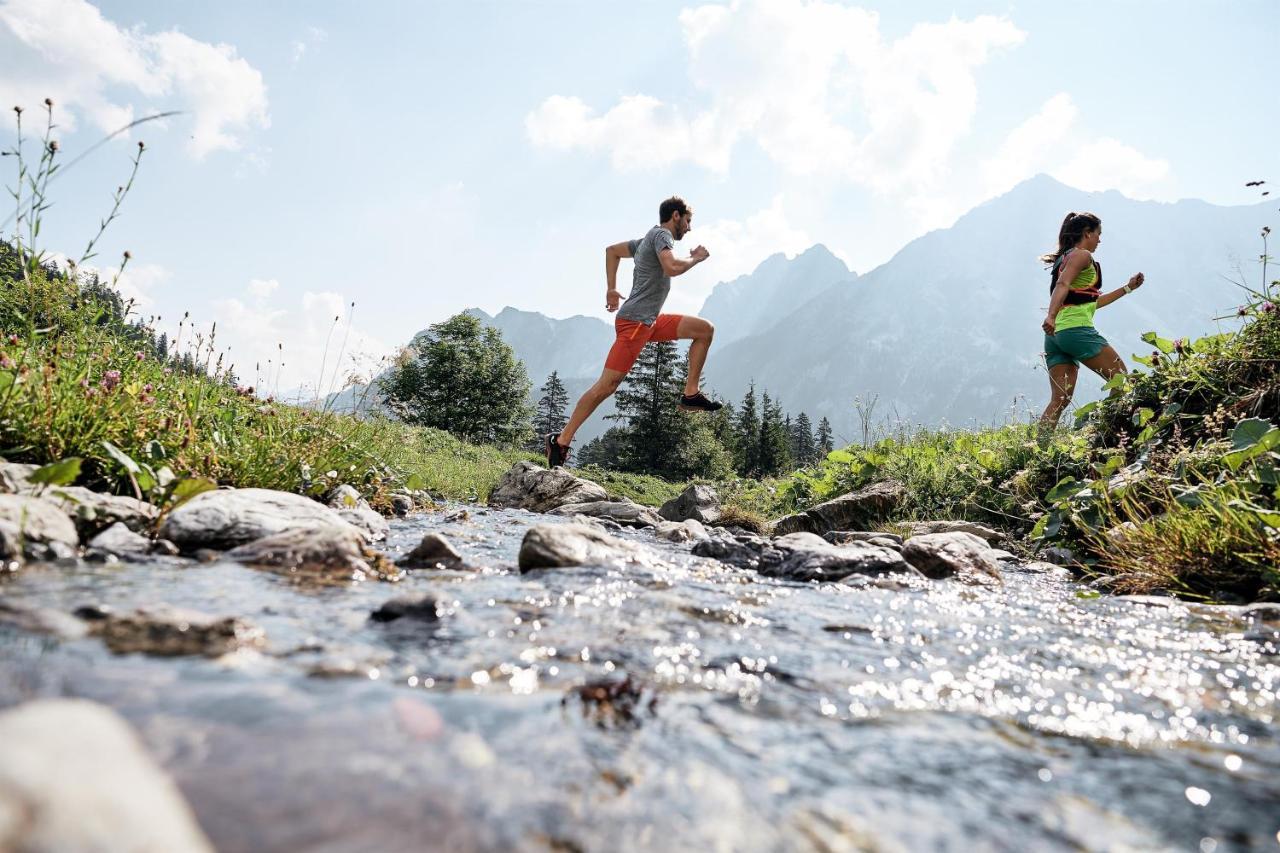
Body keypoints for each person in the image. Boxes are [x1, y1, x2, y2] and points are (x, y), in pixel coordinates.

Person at [546, 196, 723, 468]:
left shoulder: (645, 240)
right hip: (635, 324)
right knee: (607, 386)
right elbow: (672, 267)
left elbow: (611, 251)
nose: (689, 228)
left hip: (649, 322)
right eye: (688, 221)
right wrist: (695, 258)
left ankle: (690, 394)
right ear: (675, 216)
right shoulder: (662, 235)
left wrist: (611, 288)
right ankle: (560, 442)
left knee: (704, 330)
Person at [1038, 211, 1146, 435]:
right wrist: (1049, 315)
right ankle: (1105, 434)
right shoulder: (1082, 255)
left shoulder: (1064, 258)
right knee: (1121, 380)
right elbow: (1062, 285)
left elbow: (1090, 302)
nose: (1099, 240)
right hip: (1075, 332)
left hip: (1055, 337)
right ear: (1087, 233)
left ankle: (1038, 451)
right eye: (1098, 234)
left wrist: (1128, 288)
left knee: (1060, 399)